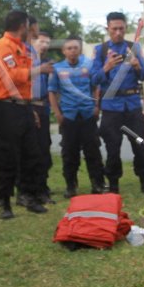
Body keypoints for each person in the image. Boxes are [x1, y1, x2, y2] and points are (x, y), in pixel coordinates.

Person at [0, 10, 50, 218]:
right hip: (6, 107)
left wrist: (30, 108)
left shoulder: (22, 47)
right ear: (23, 26)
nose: (32, 29)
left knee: (31, 153)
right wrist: (39, 70)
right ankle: (4, 203)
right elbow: (12, 75)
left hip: (23, 106)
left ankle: (29, 196)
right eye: (30, 26)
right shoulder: (3, 46)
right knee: (7, 156)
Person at [91, 12, 144, 196]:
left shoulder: (133, 47)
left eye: (121, 29)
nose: (118, 32)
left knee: (140, 146)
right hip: (111, 107)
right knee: (112, 148)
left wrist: (136, 66)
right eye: (114, 29)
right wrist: (106, 67)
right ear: (107, 29)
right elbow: (94, 79)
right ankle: (114, 185)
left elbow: (143, 76)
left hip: (132, 105)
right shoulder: (100, 50)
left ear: (126, 28)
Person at [49, 35, 106, 198]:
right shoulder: (57, 68)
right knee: (69, 153)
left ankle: (98, 184)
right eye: (69, 48)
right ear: (63, 51)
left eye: (75, 48)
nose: (72, 51)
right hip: (69, 116)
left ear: (79, 49)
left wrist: (96, 106)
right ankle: (71, 186)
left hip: (88, 114)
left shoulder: (89, 65)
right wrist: (57, 113)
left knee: (93, 151)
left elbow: (96, 86)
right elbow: (52, 92)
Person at [25, 22, 55, 207]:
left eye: (47, 43)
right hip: (29, 107)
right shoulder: (27, 62)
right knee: (30, 152)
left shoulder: (47, 64)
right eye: (41, 41)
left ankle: (42, 188)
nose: (44, 46)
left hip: (44, 108)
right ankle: (29, 191)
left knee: (44, 150)